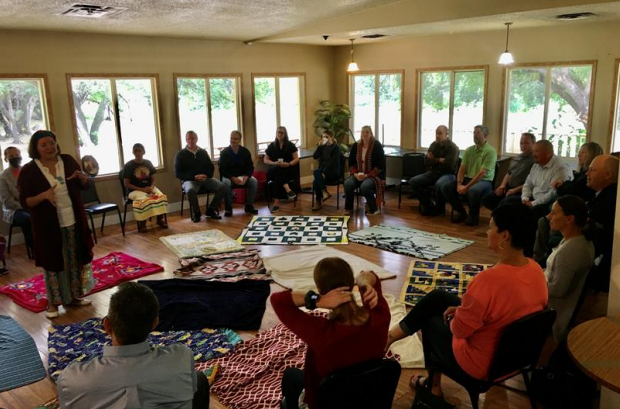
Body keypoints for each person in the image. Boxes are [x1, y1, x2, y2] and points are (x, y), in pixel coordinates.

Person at [386, 202, 547, 398]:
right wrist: (463, 310)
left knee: (430, 321)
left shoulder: (488, 280)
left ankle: (433, 386)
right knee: (437, 297)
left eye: (491, 227)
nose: (488, 232)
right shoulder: (536, 269)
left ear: (505, 235)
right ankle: (392, 336)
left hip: (482, 364)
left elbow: (459, 330)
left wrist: (456, 317)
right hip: (517, 358)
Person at [57, 282, 210, 409]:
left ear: (107, 325)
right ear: (155, 323)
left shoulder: (71, 380)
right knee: (199, 379)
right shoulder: (181, 357)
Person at [271, 257, 390, 409]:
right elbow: (370, 274)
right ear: (351, 283)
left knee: (290, 376)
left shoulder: (322, 333)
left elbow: (278, 301)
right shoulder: (380, 316)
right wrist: (364, 283)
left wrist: (316, 300)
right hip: (368, 399)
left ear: (320, 290)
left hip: (328, 403)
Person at [18, 130, 94, 319]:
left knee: (74, 259)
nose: (49, 147)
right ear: (35, 148)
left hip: (73, 220)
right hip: (48, 226)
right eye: (43, 145)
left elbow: (85, 185)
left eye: (51, 143)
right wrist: (43, 196)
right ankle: (54, 303)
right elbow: (25, 201)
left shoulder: (67, 161)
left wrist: (84, 178)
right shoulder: (29, 170)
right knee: (53, 263)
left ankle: (74, 296)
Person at [533, 141, 602, 264]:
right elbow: (569, 186)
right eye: (579, 152)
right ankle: (540, 257)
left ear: (591, 155)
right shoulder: (581, 173)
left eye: (583, 153)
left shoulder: (587, 178)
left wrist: (561, 186)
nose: (578, 155)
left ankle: (542, 259)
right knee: (540, 219)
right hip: (564, 205)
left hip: (570, 212)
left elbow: (571, 189)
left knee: (542, 220)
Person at [544, 196, 594, 343]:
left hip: (554, 309)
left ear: (569, 219)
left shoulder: (571, 251)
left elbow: (558, 290)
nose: (549, 217)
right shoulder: (577, 240)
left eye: (554, 213)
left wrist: (531, 281)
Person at [441, 125, 497, 226]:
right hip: (468, 178)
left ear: (485, 135)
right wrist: (459, 184)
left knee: (473, 191)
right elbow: (462, 168)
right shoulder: (469, 150)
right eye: (474, 132)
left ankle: (473, 216)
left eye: (478, 133)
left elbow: (481, 173)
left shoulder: (490, 151)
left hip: (484, 181)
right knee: (446, 187)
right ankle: (461, 212)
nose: (475, 135)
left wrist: (466, 187)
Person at [174, 130, 227, 222]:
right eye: (188, 139)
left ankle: (211, 210)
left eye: (193, 138)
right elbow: (178, 173)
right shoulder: (180, 155)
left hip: (205, 179)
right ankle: (197, 213)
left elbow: (210, 167)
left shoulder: (203, 152)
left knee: (222, 187)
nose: (191, 140)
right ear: (186, 140)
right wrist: (193, 177)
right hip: (189, 181)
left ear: (196, 139)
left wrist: (206, 175)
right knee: (190, 190)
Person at [584, 155, 618, 292]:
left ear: (607, 175)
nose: (587, 173)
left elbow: (596, 240)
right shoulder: (603, 196)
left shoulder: (609, 201)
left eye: (592, 170)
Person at [408, 125, 459, 216]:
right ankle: (428, 204)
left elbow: (448, 165)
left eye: (440, 133)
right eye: (436, 133)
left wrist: (434, 160)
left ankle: (440, 209)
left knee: (439, 184)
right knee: (413, 181)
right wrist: (439, 160)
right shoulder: (434, 145)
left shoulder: (453, 147)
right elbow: (426, 161)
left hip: (447, 174)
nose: (437, 136)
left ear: (446, 134)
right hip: (434, 172)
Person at [521, 140, 573, 221]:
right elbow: (528, 184)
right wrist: (525, 198)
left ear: (548, 153)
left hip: (548, 203)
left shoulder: (560, 167)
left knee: (527, 214)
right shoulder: (536, 165)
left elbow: (553, 193)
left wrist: (532, 204)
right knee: (510, 203)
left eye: (536, 151)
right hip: (532, 199)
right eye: (533, 151)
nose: (533, 154)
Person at [482, 132, 535, 211]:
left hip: (521, 191)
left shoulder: (535, 160)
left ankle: (500, 216)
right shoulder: (518, 157)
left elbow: (533, 182)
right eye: (521, 143)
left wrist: (515, 190)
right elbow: (508, 173)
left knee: (504, 203)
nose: (523, 146)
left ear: (533, 144)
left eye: (527, 143)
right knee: (487, 199)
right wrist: (502, 185)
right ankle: (500, 215)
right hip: (508, 187)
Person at [123, 143, 168, 233]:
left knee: (160, 196)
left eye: (139, 150)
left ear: (144, 152)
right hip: (133, 190)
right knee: (144, 199)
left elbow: (153, 179)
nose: (138, 153)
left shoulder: (148, 163)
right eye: (135, 151)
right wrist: (142, 190)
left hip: (148, 187)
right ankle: (142, 224)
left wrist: (151, 187)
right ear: (133, 152)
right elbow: (126, 184)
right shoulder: (128, 165)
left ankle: (160, 220)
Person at [344, 125, 386, 216]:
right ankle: (348, 208)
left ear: (371, 134)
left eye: (367, 132)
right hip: (358, 174)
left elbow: (380, 165)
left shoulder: (376, 145)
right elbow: (351, 162)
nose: (365, 134)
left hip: (372, 175)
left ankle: (373, 208)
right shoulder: (356, 145)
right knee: (348, 184)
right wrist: (355, 174)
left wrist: (367, 175)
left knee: (365, 186)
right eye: (363, 132)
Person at [0, 147, 34, 252]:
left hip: (31, 203)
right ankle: (34, 248)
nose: (15, 158)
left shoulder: (28, 171)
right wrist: (25, 205)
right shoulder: (3, 177)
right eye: (11, 156)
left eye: (17, 155)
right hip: (14, 210)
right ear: (6, 158)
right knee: (27, 218)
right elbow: (7, 201)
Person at [218, 130, 259, 216]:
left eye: (235, 139)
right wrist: (232, 178)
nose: (233, 140)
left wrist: (247, 177)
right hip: (229, 177)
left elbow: (250, 167)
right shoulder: (224, 152)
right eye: (231, 138)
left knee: (254, 181)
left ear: (240, 140)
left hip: (243, 176)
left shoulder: (245, 151)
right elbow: (222, 169)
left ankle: (249, 205)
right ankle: (228, 208)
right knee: (226, 183)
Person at [264, 126, 300, 213]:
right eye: (278, 132)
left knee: (278, 178)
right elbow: (265, 160)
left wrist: (289, 164)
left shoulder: (290, 145)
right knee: (278, 169)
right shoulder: (272, 146)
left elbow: (296, 159)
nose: (279, 134)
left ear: (285, 134)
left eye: (281, 132)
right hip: (273, 168)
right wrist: (274, 163)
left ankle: (276, 204)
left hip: (287, 169)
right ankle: (288, 189)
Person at [311, 130, 341, 211]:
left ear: (331, 138)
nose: (325, 138)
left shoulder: (336, 148)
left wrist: (324, 172)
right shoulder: (322, 147)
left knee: (317, 176)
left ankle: (319, 200)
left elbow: (332, 163)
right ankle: (323, 193)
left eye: (327, 137)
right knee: (316, 177)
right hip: (322, 172)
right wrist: (319, 146)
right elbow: (315, 156)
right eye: (323, 137)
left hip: (333, 172)